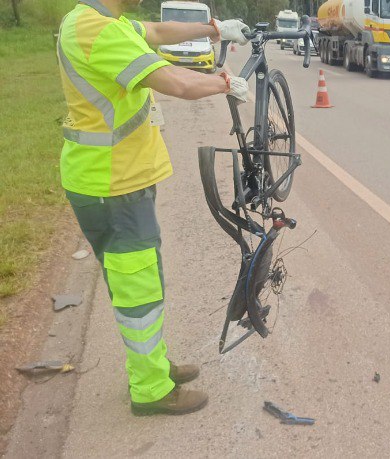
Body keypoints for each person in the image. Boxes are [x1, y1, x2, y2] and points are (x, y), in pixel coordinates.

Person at [57, 0, 250, 416]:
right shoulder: (98, 32)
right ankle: (150, 390)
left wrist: (214, 28)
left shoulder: (108, 22)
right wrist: (223, 84)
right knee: (139, 292)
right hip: (112, 185)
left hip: (118, 181)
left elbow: (160, 32)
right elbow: (174, 83)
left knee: (144, 281)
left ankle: (156, 366)